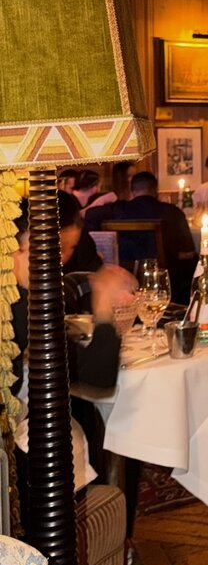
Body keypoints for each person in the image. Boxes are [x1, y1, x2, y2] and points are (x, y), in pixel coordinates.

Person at [10, 195, 137, 523]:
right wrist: (104, 304)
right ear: (14, 247)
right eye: (52, 249)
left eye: (66, 250)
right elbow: (98, 376)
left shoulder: (20, 297)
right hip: (17, 459)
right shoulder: (19, 308)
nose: (59, 261)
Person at [85, 171, 197, 304]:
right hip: (166, 280)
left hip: (125, 279)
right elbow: (188, 253)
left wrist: (104, 200)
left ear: (132, 191)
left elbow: (90, 214)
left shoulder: (119, 209)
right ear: (155, 190)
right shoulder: (173, 212)